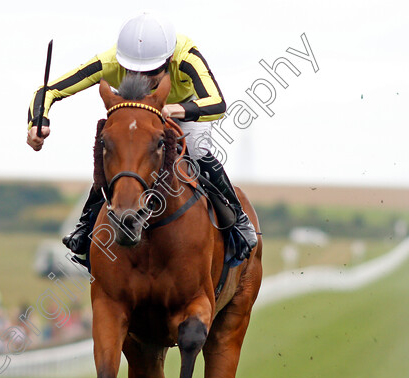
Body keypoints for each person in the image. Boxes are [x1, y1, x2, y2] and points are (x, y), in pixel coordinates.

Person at [26, 12, 258, 261]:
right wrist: (38, 123)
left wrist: (171, 109)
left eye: (151, 72)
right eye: (134, 72)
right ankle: (86, 225)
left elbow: (218, 104)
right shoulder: (108, 63)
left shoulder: (187, 57)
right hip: (136, 111)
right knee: (117, 155)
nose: (143, 79)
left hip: (185, 108)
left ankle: (238, 218)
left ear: (169, 59)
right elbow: (48, 91)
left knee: (198, 152)